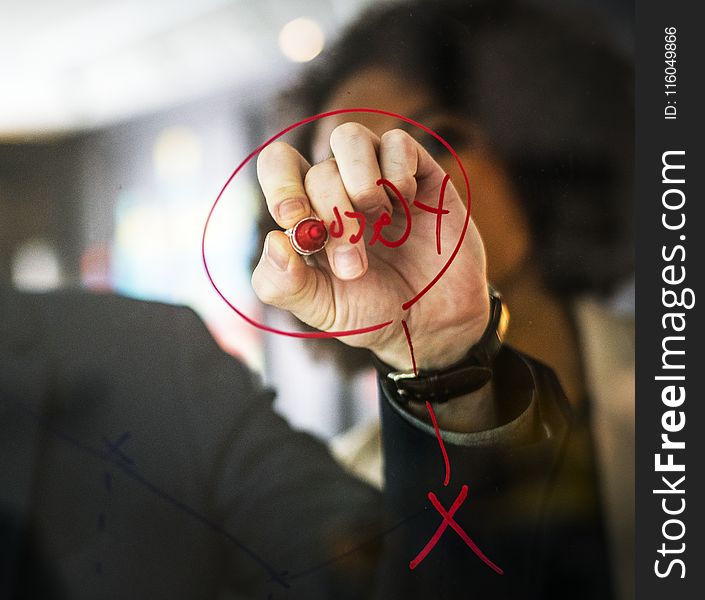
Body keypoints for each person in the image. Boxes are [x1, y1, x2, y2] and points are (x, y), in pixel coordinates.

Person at [256, 1, 634, 598]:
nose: (392, 187)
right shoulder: (355, 499)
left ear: (537, 155)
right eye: (348, 171)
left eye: (442, 136)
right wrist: (440, 353)